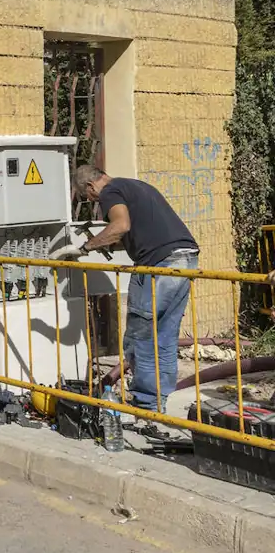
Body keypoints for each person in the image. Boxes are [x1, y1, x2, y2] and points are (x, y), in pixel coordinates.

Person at [53, 165, 199, 419]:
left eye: (89, 198)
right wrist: (104, 241)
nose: (94, 202)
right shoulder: (135, 185)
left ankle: (145, 406)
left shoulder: (111, 191)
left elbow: (120, 225)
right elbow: (134, 231)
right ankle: (161, 404)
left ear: (91, 186)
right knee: (163, 335)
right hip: (185, 260)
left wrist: (84, 248)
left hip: (158, 265)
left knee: (140, 336)